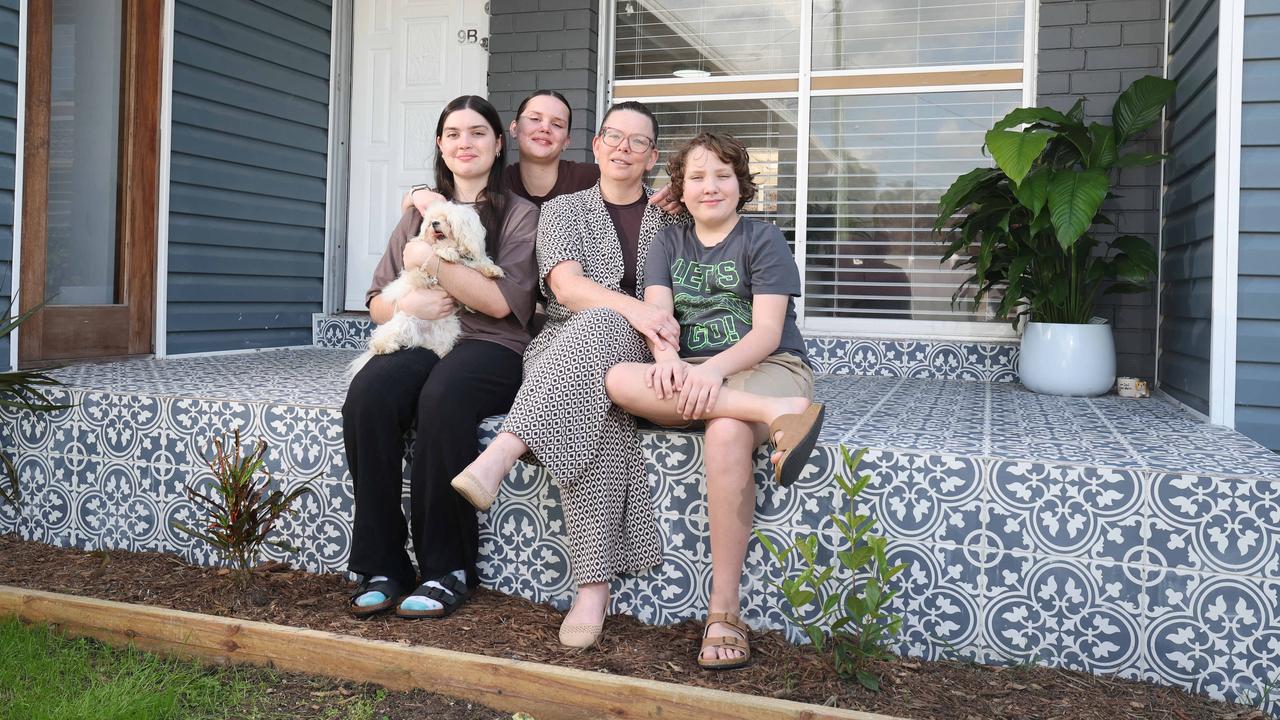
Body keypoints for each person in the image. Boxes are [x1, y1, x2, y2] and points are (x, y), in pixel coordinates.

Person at [448, 101, 685, 648]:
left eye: (638, 142)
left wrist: (649, 322)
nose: (623, 148)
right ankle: (592, 590)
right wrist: (636, 311)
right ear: (597, 145)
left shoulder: (673, 219)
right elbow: (567, 289)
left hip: (649, 347)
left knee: (603, 334)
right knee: (600, 410)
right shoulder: (564, 210)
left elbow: (722, 210)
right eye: (613, 137)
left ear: (651, 157)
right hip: (563, 343)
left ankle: (501, 454)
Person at [602, 132, 825, 669]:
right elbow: (658, 314)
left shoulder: (762, 238)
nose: (710, 186)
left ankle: (724, 611)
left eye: (723, 175)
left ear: (742, 185)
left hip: (767, 368)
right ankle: (777, 419)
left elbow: (768, 332)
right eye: (697, 177)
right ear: (681, 187)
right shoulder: (667, 241)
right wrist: (668, 361)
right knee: (616, 380)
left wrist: (715, 372)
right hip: (696, 373)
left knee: (724, 433)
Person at [343, 95, 539, 620]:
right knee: (369, 395)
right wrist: (409, 300)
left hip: (490, 345)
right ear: (440, 145)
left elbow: (502, 302)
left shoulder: (520, 215)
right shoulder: (417, 214)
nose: (464, 143)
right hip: (424, 333)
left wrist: (432, 260)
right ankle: (383, 563)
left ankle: (446, 567)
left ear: (499, 145)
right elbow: (378, 303)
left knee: (444, 396)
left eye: (478, 133)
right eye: (453, 133)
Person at [401, 90, 679, 213]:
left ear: (567, 139)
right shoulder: (496, 181)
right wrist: (416, 193)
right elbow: (452, 192)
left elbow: (630, 184)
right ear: (512, 129)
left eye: (556, 124)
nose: (544, 128)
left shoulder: (589, 178)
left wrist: (674, 197)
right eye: (534, 119)